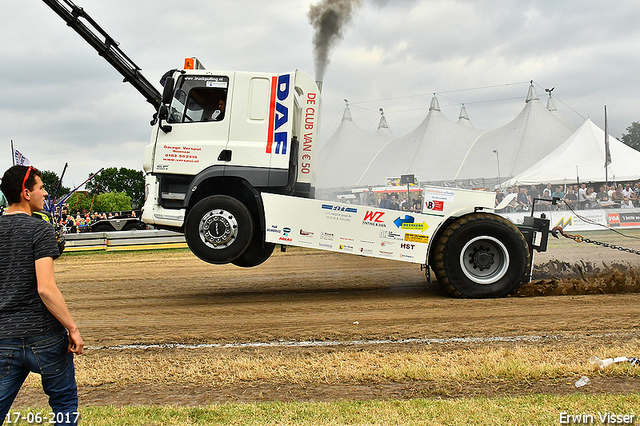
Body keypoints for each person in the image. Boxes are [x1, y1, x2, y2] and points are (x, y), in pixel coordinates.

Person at [0, 165, 84, 425]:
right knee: (64, 404)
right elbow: (45, 288)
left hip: (4, 336)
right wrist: (72, 327)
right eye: (40, 188)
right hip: (45, 335)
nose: (45, 193)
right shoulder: (40, 229)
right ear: (26, 193)